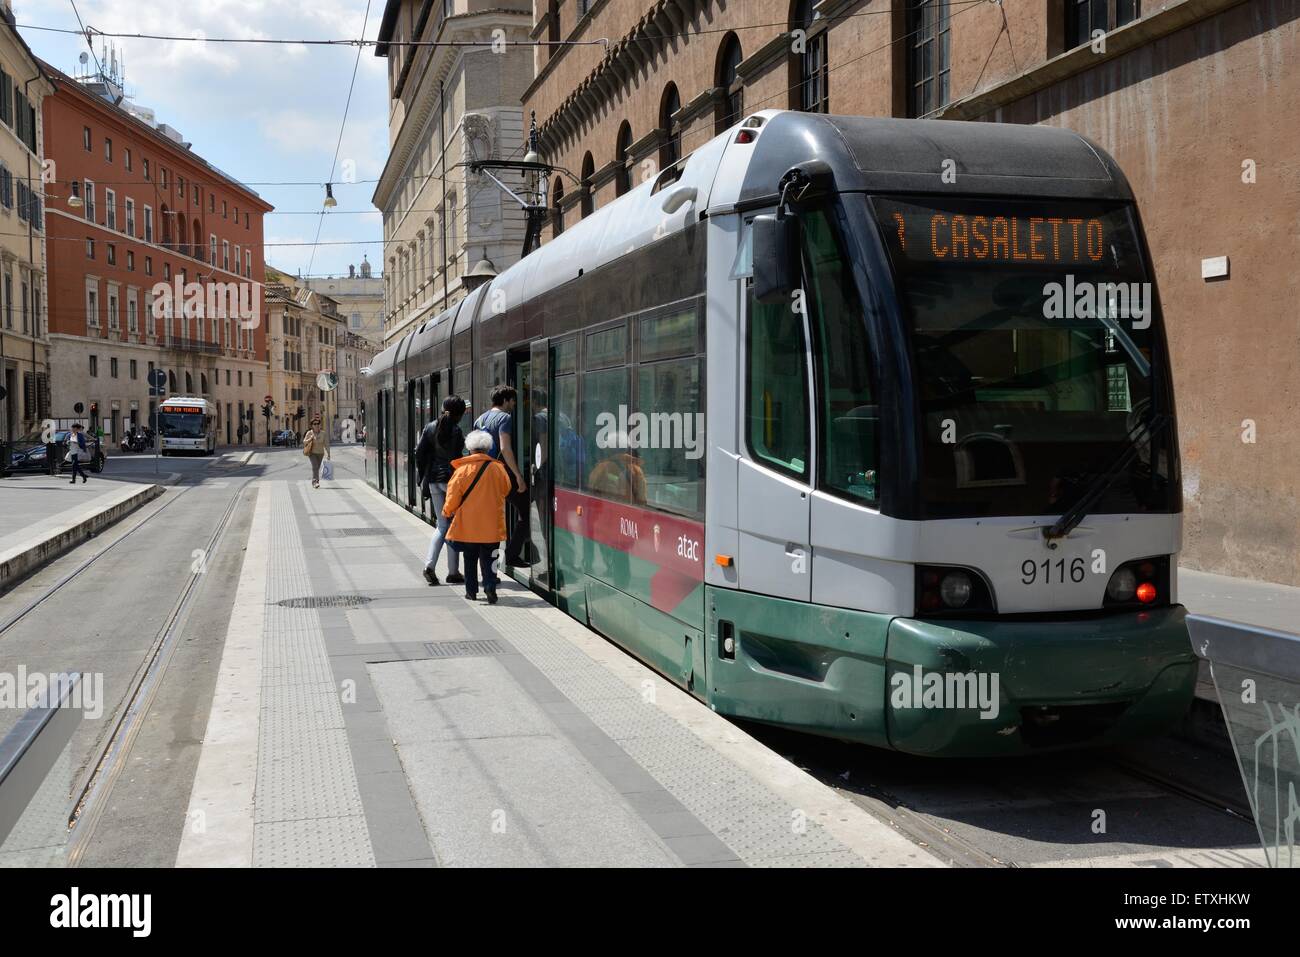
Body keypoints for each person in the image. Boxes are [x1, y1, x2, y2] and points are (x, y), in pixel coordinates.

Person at [443, 429, 513, 604]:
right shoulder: (498, 468)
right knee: (491, 558)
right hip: (492, 524)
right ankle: (490, 586)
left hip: (468, 526)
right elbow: (506, 489)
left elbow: (452, 497)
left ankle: (471, 591)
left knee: (470, 558)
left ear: (469, 448)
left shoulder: (461, 471)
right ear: (488, 448)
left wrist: (446, 512)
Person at [473, 385, 533, 569]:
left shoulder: (480, 419)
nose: (514, 404)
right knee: (525, 512)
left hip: (483, 474)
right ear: (506, 400)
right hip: (501, 474)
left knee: (492, 519)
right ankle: (512, 554)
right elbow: (505, 448)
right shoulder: (505, 418)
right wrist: (518, 476)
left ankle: (489, 568)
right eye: (513, 400)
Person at [415, 395, 467, 586]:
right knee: (451, 527)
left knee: (442, 525)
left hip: (434, 482)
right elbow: (458, 457)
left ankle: (432, 566)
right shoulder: (457, 431)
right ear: (460, 414)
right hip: (451, 482)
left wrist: (423, 477)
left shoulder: (430, 427)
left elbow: (419, 454)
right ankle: (452, 572)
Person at [302, 414, 329, 488]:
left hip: (320, 453)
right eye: (315, 424)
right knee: (315, 466)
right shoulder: (309, 433)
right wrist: (310, 438)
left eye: (318, 424)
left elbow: (326, 444)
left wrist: (328, 454)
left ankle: (316, 481)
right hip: (312, 453)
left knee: (317, 468)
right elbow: (304, 442)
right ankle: (315, 482)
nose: (316, 425)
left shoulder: (323, 433)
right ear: (312, 425)